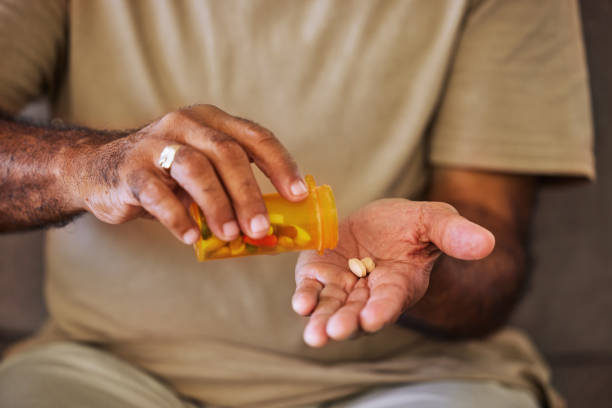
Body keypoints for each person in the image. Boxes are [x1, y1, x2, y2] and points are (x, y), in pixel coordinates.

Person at [0, 1, 593, 407]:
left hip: (407, 381)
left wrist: (422, 263)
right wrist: (86, 167)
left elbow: (490, 253)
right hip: (101, 368)